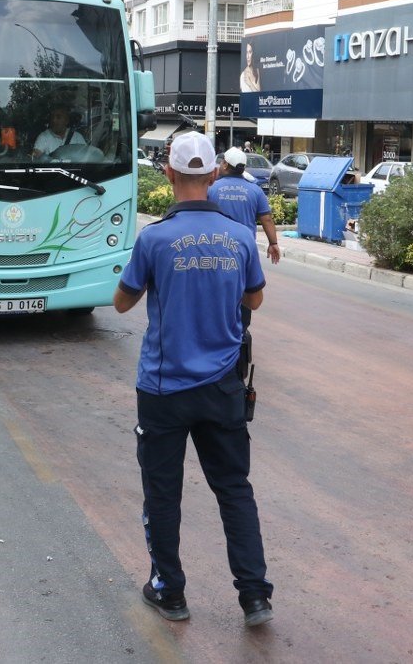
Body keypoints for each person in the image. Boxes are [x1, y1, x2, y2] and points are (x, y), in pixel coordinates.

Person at [113, 131, 274, 629]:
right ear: (213, 176)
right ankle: (254, 598)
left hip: (164, 390)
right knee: (234, 489)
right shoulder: (239, 237)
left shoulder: (155, 238)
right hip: (224, 384)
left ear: (169, 173)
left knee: (163, 493)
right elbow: (254, 300)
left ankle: (171, 592)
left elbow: (122, 302)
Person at [209, 148, 281, 329]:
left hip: (215, 248)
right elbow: (266, 218)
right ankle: (241, 329)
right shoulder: (255, 190)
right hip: (244, 251)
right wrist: (273, 244)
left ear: (225, 164)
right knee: (244, 288)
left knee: (216, 288)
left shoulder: (211, 189)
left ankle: (217, 325)